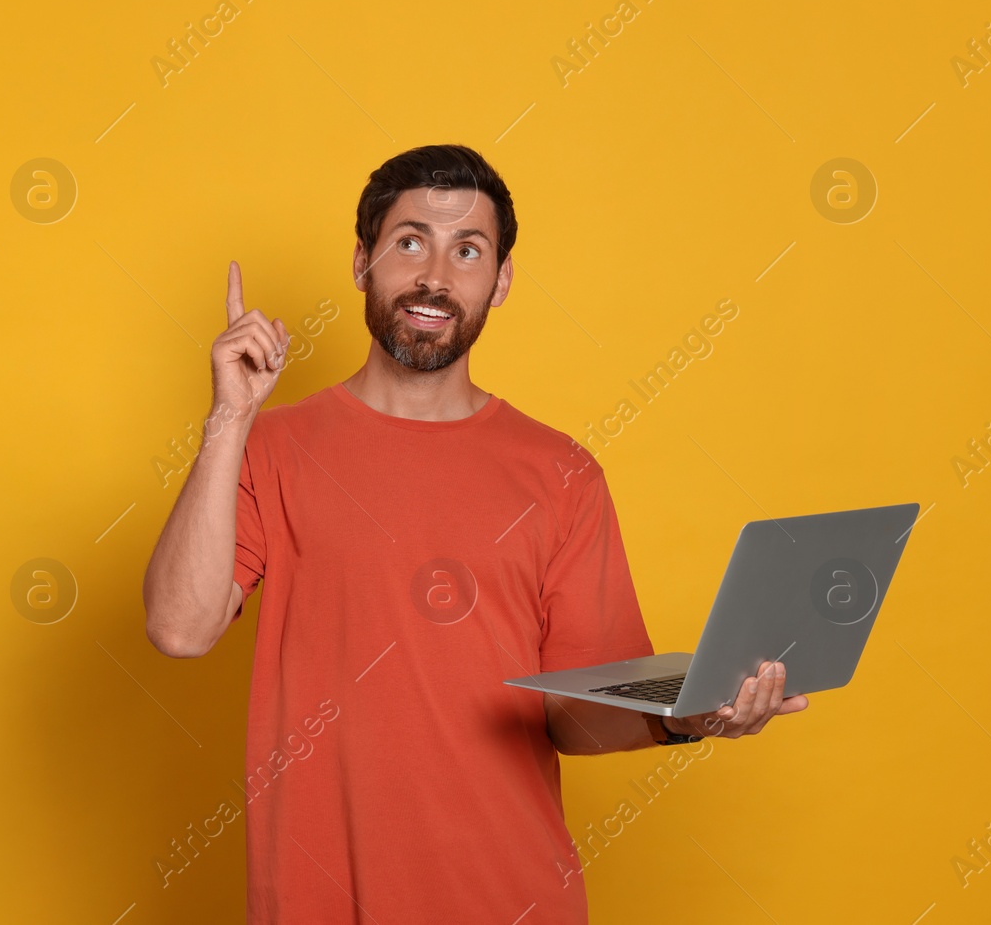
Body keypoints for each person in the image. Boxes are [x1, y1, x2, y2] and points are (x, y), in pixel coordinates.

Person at [141, 143, 807, 924]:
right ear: (362, 261)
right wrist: (228, 418)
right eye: (410, 240)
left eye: (468, 251)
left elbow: (576, 712)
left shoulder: (562, 474)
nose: (436, 276)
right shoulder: (270, 447)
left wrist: (684, 714)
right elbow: (180, 627)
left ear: (502, 279)